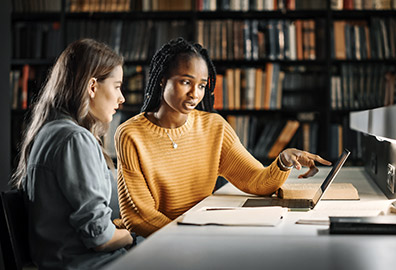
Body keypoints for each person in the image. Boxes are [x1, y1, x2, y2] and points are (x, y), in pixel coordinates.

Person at [114, 38, 331, 238]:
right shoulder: (131, 135)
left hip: (200, 232)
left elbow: (256, 182)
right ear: (162, 80)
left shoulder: (214, 127)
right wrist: (187, 236)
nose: (195, 94)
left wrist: (283, 161)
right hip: (159, 241)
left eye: (201, 85)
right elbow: (139, 217)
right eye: (185, 82)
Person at [11, 39, 133, 270]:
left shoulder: (50, 132)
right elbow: (101, 238)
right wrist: (132, 236)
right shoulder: (74, 140)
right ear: (93, 86)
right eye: (117, 86)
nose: (122, 98)